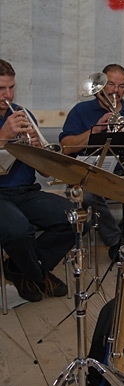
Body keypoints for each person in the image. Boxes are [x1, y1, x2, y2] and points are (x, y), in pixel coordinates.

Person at [59, 64, 124, 260]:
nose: (115, 90)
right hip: (87, 171)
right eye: (111, 84)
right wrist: (96, 130)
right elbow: (66, 147)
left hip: (121, 171)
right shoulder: (81, 110)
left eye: (122, 86)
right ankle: (116, 243)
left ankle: (122, 237)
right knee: (89, 197)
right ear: (101, 85)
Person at [0, 59, 73, 302]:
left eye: (11, 87)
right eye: (1, 89)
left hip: (27, 192)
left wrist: (38, 149)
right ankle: (38, 275)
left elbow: (46, 172)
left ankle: (19, 269)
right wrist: (3, 136)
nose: (8, 95)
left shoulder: (21, 113)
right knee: (20, 230)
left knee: (74, 217)